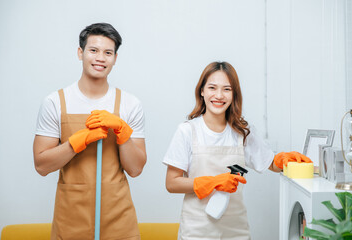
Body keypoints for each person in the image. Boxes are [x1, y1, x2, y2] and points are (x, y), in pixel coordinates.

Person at [163, 61, 311, 239]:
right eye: (212, 87)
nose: (219, 95)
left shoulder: (241, 131)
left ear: (234, 95)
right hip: (197, 230)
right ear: (202, 91)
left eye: (227, 89)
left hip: (236, 230)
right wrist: (212, 182)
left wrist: (281, 159)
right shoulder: (187, 131)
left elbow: (269, 162)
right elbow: (172, 183)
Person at [33, 23, 146, 240]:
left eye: (108, 52)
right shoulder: (55, 102)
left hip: (118, 217)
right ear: (80, 52)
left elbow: (135, 169)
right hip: (70, 216)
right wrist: (77, 142)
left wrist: (122, 131)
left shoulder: (130, 104)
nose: (100, 58)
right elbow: (41, 165)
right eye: (93, 50)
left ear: (115, 58)